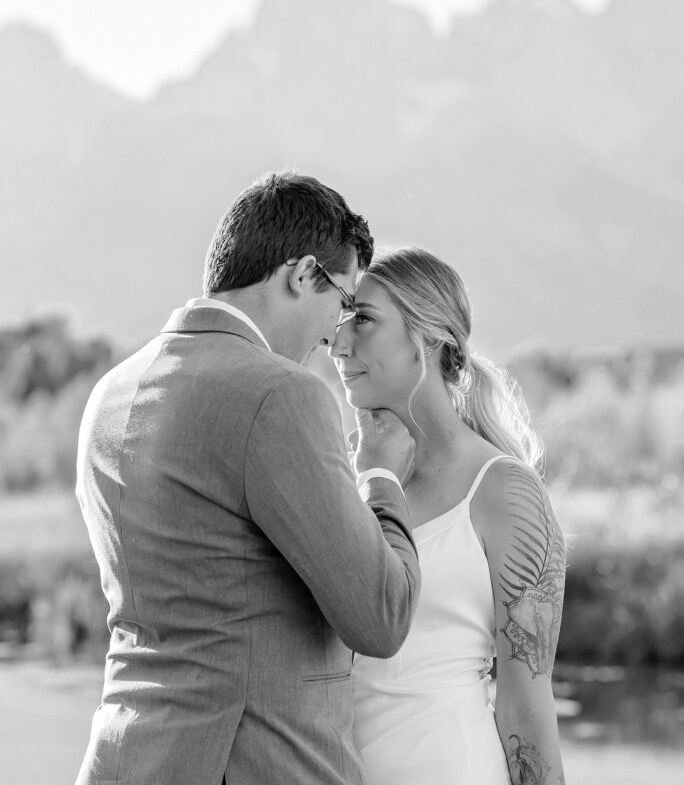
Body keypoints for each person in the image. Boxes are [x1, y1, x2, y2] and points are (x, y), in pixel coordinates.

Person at [75, 171, 421, 785]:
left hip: (120, 760)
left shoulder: (109, 394)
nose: (332, 335)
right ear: (301, 274)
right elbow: (381, 616)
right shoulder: (283, 396)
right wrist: (380, 479)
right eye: (341, 302)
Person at [331, 246, 566, 785]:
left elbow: (527, 705)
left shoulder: (504, 491)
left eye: (363, 320)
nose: (337, 342)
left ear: (430, 338)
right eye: (340, 320)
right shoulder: (341, 477)